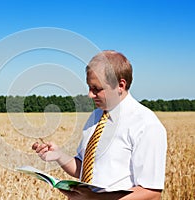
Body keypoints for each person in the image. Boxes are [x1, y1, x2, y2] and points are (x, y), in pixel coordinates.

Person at [32, 50, 167, 200]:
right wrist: (59, 156)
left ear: (120, 85)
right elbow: (85, 169)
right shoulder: (96, 116)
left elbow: (152, 193)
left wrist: (95, 199)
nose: (90, 94)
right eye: (89, 87)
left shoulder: (146, 125)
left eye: (96, 89)